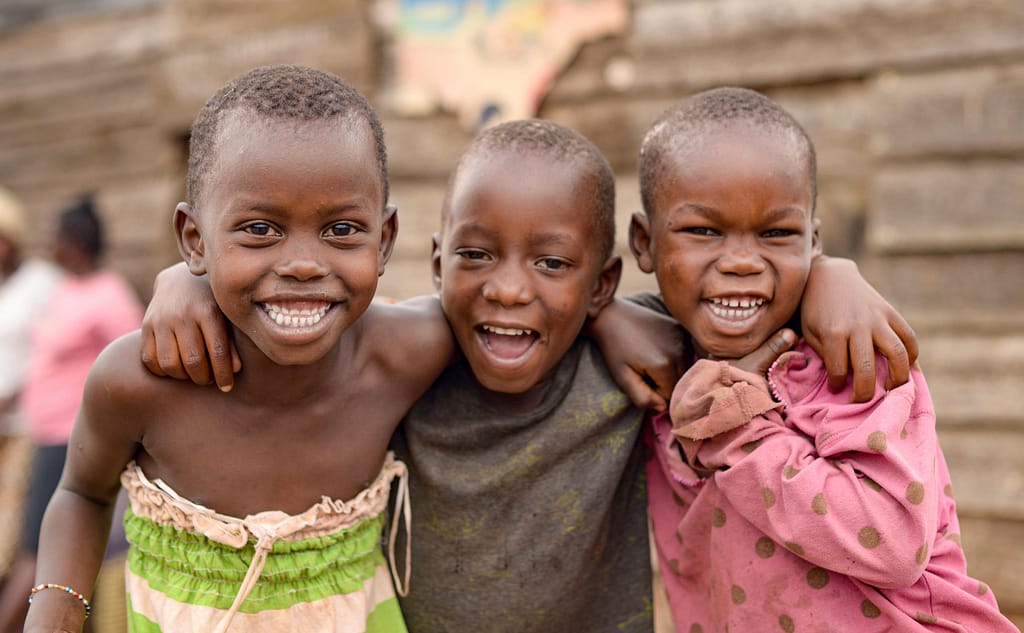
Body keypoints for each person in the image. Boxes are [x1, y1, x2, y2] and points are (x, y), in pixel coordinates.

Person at [140, 114, 923, 632]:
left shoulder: (645, 367)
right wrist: (185, 283)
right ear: (436, 259)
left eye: (551, 263)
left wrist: (829, 274)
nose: (511, 287)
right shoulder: (402, 366)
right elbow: (287, 323)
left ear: (604, 282)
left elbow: (740, 291)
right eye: (477, 255)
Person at [24, 65, 455, 633]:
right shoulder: (139, 379)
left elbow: (515, 316)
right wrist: (54, 615)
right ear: (194, 240)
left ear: (385, 240)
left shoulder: (410, 351)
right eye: (259, 229)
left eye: (342, 230)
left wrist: (612, 321)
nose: (303, 263)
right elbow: (81, 492)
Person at [632, 86, 1016, 632]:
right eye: (702, 231)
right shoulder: (659, 364)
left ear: (812, 242)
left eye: (776, 233)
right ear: (643, 242)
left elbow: (892, 544)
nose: (742, 261)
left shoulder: (851, 355)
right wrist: (604, 319)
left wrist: (737, 429)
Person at [0, 194, 142, 633]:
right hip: (41, 435)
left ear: (75, 241)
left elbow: (136, 361)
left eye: (56, 237)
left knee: (37, 552)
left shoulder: (109, 294)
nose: (50, 245)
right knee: (35, 546)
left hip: (70, 436)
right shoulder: (64, 290)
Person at [0, 188, 60, 631]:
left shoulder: (42, 284)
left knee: (18, 532)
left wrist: (13, 396)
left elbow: (56, 352)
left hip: (29, 427)